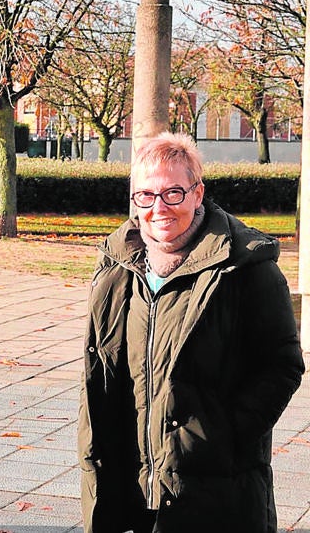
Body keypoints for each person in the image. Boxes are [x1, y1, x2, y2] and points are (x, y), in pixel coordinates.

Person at [79, 132, 304, 533]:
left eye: (173, 193)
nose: (158, 207)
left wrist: (222, 437)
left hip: (215, 487)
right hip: (129, 481)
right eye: (145, 195)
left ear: (198, 194)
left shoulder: (245, 266)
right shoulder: (117, 268)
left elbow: (282, 365)